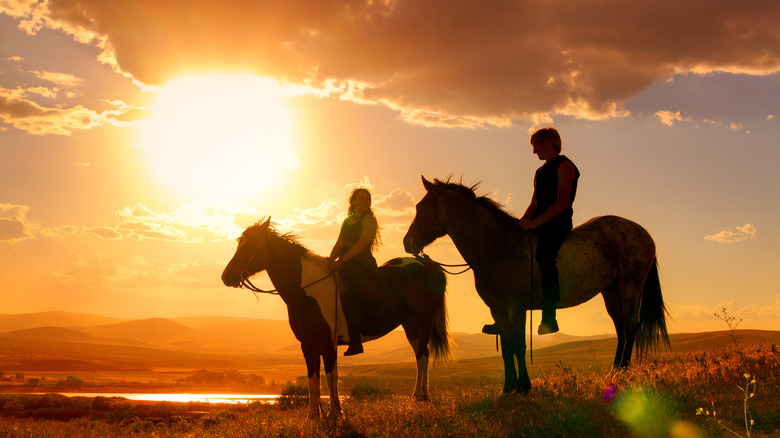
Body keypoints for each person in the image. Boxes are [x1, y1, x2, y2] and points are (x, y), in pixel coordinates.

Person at [483, 127, 579, 336]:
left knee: (545, 257)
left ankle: (549, 318)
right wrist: (521, 223)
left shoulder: (565, 166)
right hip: (539, 222)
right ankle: (503, 316)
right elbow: (534, 204)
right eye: (533, 146)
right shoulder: (539, 172)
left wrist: (534, 225)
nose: (534, 151)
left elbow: (561, 203)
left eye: (537, 145)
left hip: (557, 224)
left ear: (550, 142)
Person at [327, 188, 381, 356]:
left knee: (347, 293)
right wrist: (329, 260)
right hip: (345, 264)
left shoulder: (369, 220)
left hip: (361, 266)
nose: (364, 202)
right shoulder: (347, 221)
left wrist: (341, 261)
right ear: (353, 201)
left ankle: (355, 341)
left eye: (367, 199)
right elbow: (340, 244)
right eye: (361, 199)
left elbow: (362, 243)